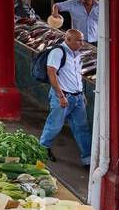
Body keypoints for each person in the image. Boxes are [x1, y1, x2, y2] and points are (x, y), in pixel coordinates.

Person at [39, 28, 92, 166]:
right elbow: (51, 72)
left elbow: (77, 75)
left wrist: (81, 93)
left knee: (82, 128)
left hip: (77, 97)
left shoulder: (77, 54)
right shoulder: (58, 52)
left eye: (82, 40)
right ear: (68, 39)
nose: (82, 43)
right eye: (79, 40)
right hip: (63, 96)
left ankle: (88, 159)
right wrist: (60, 96)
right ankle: (42, 149)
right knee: (54, 125)